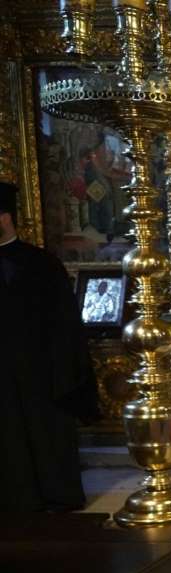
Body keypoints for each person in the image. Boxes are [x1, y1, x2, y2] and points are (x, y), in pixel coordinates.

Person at [0, 181, 99, 512]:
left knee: (45, 432)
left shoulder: (41, 263)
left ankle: (55, 494)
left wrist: (62, 368)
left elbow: (64, 321)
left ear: (5, 218)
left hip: (39, 370)